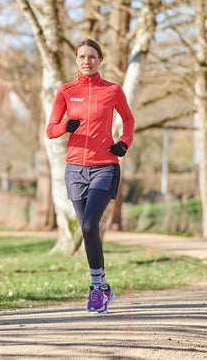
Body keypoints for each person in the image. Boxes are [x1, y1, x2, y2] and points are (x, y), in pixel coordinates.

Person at [46, 38, 135, 314]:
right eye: (82, 56)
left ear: (100, 61)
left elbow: (129, 119)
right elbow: (50, 130)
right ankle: (105, 287)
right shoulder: (65, 91)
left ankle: (96, 288)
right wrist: (65, 126)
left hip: (104, 166)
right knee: (88, 229)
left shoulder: (112, 90)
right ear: (76, 60)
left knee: (87, 226)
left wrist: (124, 142)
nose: (87, 61)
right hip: (74, 170)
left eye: (92, 57)